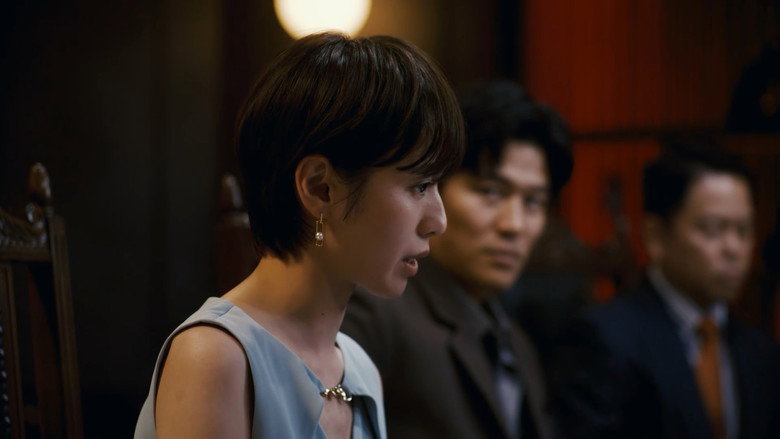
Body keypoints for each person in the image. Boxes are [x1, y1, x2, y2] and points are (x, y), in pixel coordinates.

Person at [134, 32, 464, 439]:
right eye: (419, 185)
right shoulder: (214, 357)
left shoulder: (359, 367)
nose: (438, 220)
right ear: (320, 188)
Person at [342, 80, 573, 439]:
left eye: (533, 202)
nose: (513, 225)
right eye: (490, 192)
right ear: (432, 190)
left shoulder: (518, 344)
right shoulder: (377, 311)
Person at [569, 142, 780, 439]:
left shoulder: (761, 353)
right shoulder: (606, 339)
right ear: (656, 236)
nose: (734, 248)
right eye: (713, 229)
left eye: (744, 231)